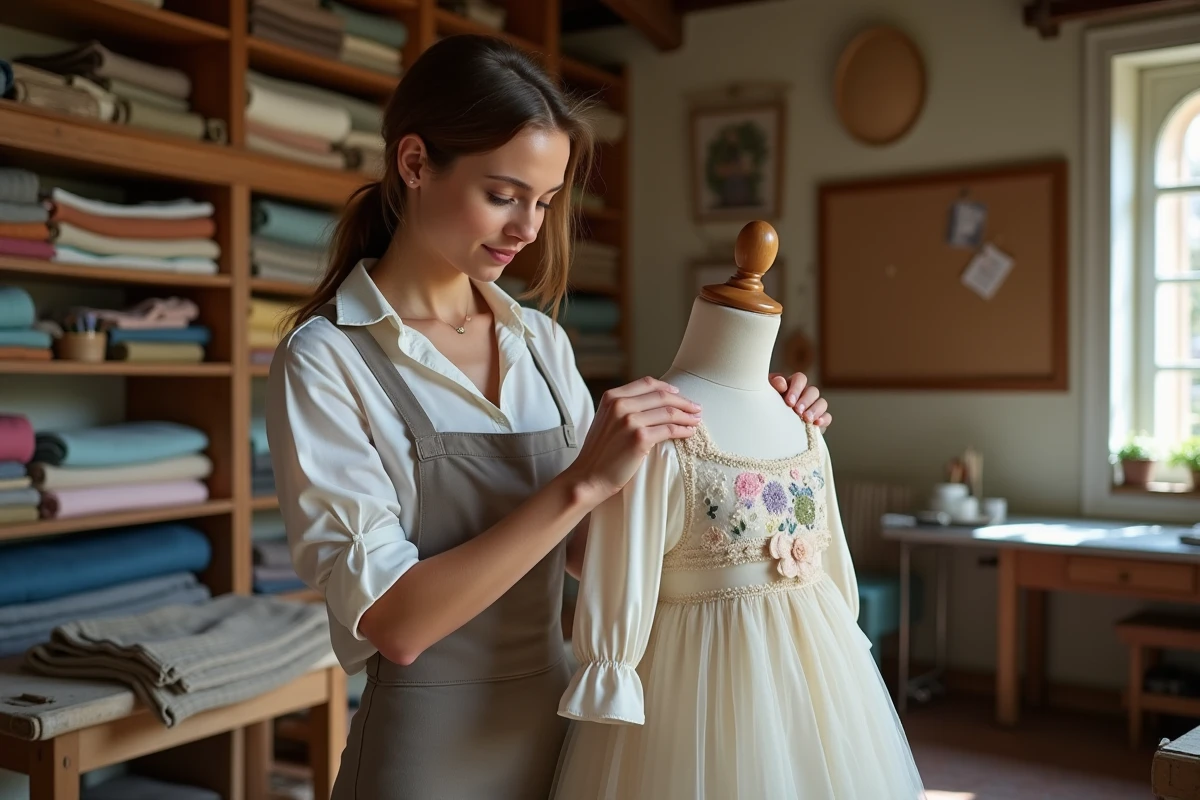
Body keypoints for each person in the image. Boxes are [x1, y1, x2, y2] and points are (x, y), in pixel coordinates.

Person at [265, 34, 834, 800]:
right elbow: (395, 624)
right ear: (414, 163)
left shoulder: (537, 342)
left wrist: (758, 436)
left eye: (545, 201)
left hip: (567, 733)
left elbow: (588, 556)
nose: (528, 228)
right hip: (427, 756)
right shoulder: (327, 359)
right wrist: (578, 486)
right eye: (503, 195)